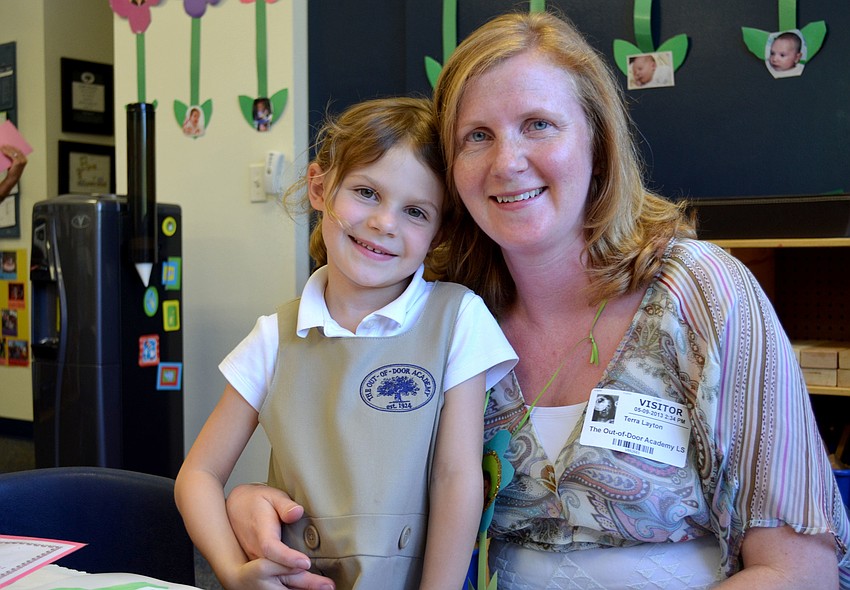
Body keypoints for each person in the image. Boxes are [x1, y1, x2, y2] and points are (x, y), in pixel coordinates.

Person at [226, 10, 850, 590]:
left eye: (538, 125)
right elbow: (351, 465)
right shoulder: (440, 313)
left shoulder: (702, 292)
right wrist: (256, 500)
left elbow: (801, 571)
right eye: (476, 137)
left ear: (597, 144)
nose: (507, 161)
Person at [174, 96, 517, 590]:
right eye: (366, 192)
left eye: (416, 211)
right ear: (320, 187)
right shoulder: (275, 335)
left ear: (439, 233)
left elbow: (457, 477)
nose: (385, 222)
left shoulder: (457, 317)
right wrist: (233, 571)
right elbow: (198, 476)